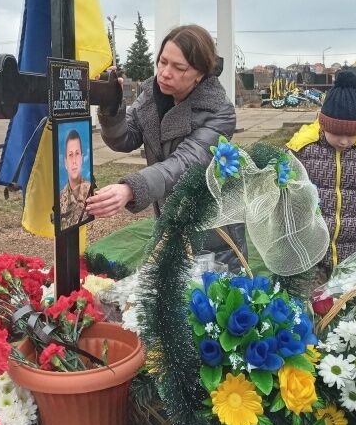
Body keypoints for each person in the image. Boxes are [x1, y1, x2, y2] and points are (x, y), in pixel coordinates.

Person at [87, 24, 245, 270]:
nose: (165, 73)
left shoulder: (219, 112)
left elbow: (184, 163)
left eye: (178, 67)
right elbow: (124, 139)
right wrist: (112, 107)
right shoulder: (152, 94)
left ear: (201, 74)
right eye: (162, 62)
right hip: (168, 220)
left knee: (210, 302)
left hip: (211, 232)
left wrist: (130, 189)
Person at [286, 70, 356, 280]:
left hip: (350, 250)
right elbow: (281, 183)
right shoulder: (303, 149)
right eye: (337, 133)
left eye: (352, 134)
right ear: (325, 124)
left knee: (344, 303)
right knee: (310, 305)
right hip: (309, 250)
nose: (345, 141)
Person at [59, 129, 92, 230]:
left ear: (82, 158)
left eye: (77, 154)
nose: (74, 161)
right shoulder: (59, 199)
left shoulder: (90, 192)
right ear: (65, 162)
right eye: (70, 155)